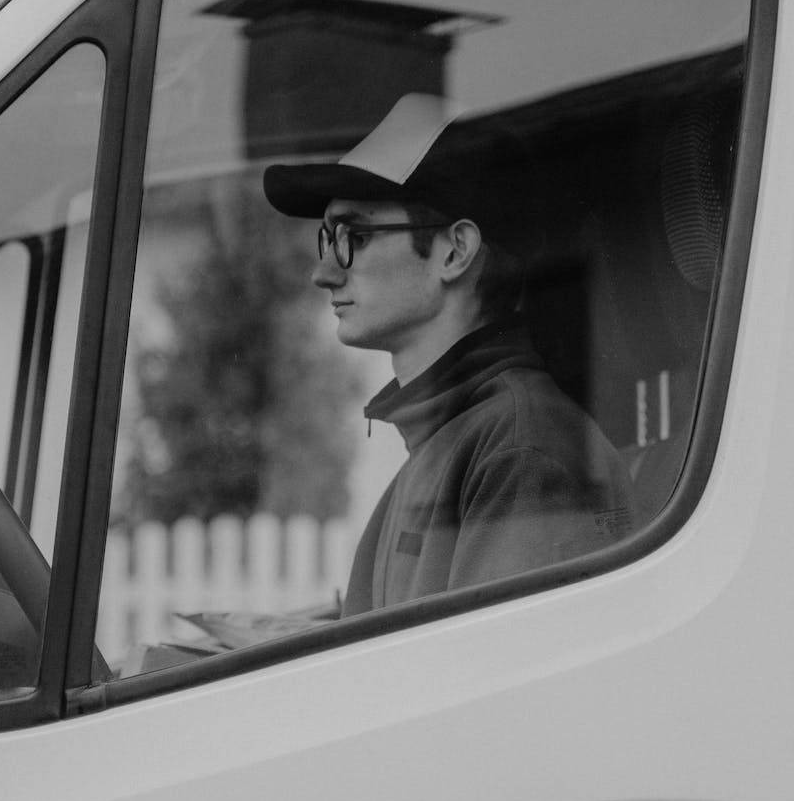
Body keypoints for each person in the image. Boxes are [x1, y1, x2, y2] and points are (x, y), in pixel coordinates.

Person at [263, 92, 632, 615]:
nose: (323, 272)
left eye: (355, 237)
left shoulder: (520, 449)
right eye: (327, 238)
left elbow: (493, 685)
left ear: (455, 252)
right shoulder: (454, 442)